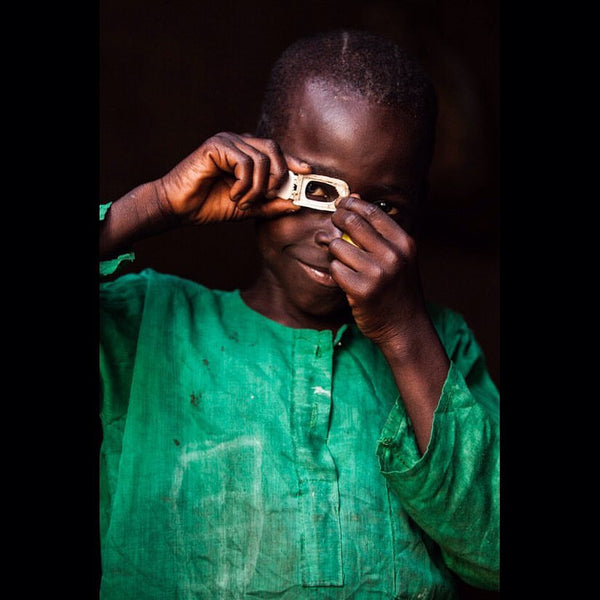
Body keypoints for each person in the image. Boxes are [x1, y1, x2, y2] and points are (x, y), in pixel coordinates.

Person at [99, 29, 499, 599]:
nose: (338, 234)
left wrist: (404, 333)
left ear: (416, 217)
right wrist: (155, 203)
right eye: (313, 187)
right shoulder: (144, 325)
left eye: (382, 207)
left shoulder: (439, 346)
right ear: (253, 164)